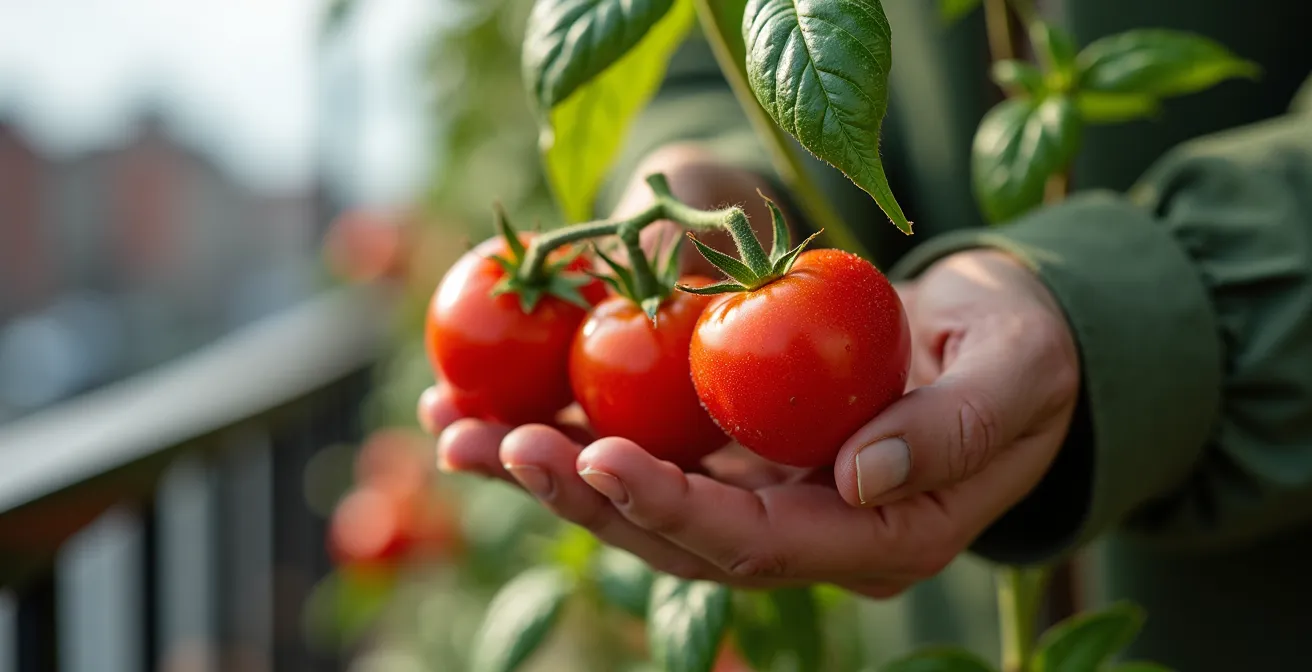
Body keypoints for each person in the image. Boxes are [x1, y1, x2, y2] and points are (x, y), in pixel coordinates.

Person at [418, 1, 1312, 668]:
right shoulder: (697, 323)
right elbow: (705, 40)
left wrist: (1158, 305)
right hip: (935, 564)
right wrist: (715, 153)